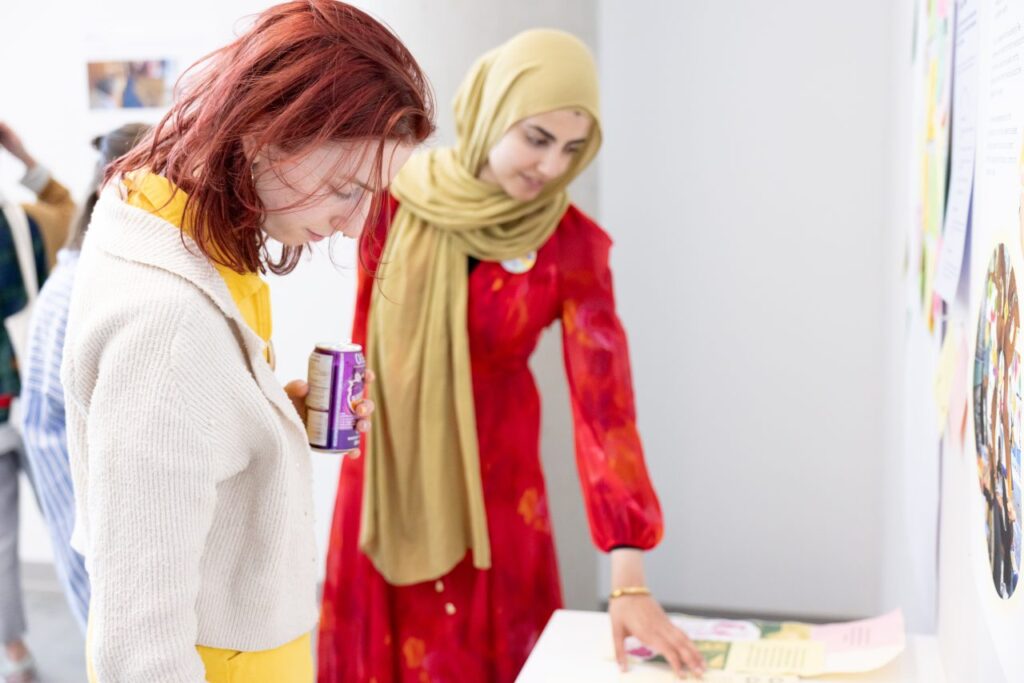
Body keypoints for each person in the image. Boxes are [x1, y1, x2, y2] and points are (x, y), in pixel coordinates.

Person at [318, 29, 705, 682]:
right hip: (388, 481)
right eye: (538, 138)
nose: (554, 167)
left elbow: (604, 407)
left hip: (497, 500)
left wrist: (629, 569)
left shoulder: (570, 244)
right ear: (493, 111)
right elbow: (364, 343)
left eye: (574, 148)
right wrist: (323, 425)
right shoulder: (394, 204)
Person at [61, 2, 432, 681]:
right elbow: (139, 644)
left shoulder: (166, 221)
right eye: (347, 189)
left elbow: (173, 444)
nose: (355, 227)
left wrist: (268, 412)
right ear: (267, 129)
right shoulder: (168, 323)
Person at [19, 124, 151, 635]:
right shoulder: (83, 279)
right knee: (104, 602)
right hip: (63, 447)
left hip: (65, 438)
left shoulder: (97, 258)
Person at [0, 122, 75, 683]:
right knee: (78, 522)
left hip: (11, 409)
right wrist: (22, 153)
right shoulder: (22, 223)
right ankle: (104, 628)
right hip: (44, 403)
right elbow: (71, 209)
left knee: (1, 542)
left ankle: (16, 652)